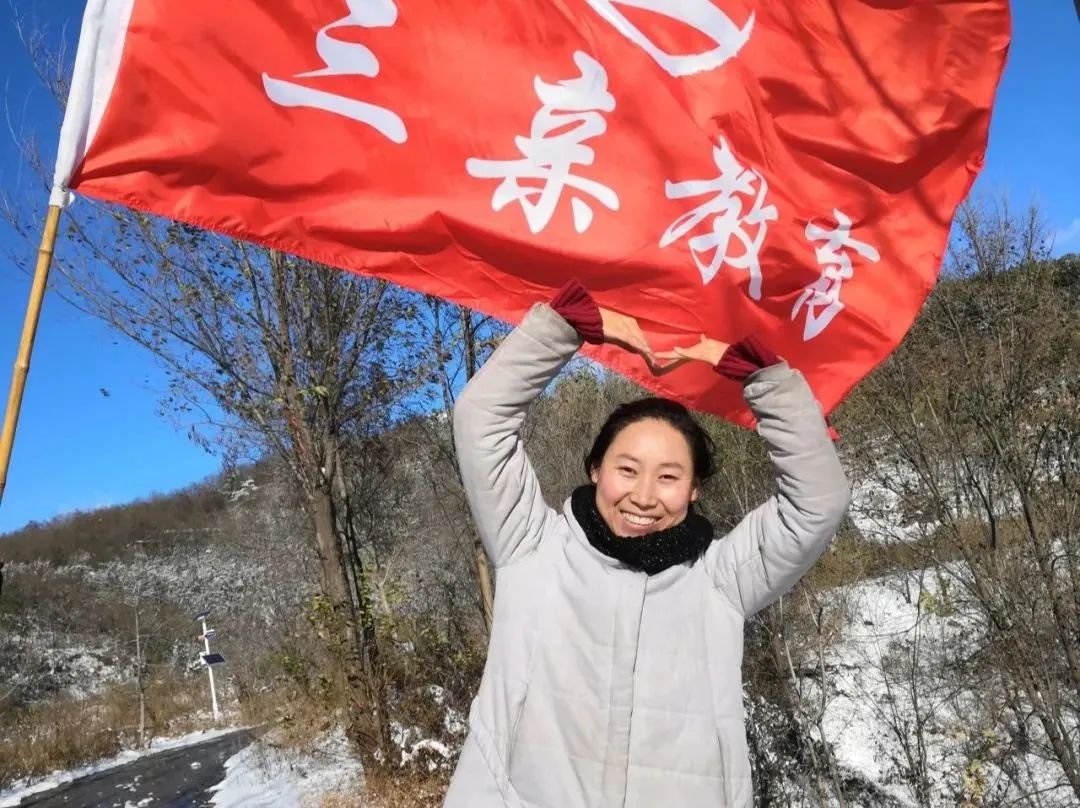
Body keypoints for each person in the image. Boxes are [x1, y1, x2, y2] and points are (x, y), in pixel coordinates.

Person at [443, 279, 851, 808]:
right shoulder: (530, 544)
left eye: (668, 477)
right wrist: (569, 330)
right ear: (596, 470)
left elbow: (817, 501)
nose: (642, 495)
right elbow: (481, 422)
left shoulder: (721, 578)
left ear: (694, 489)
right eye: (627, 470)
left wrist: (760, 378)